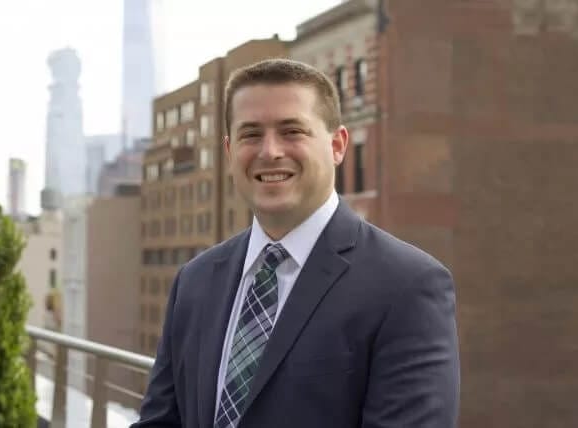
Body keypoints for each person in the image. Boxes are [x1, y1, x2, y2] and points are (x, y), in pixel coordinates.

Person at [131, 59, 460, 428]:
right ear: (229, 150)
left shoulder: (406, 286)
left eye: (292, 131)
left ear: (337, 145)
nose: (270, 151)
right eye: (251, 134)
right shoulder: (195, 281)